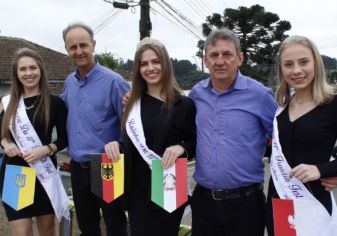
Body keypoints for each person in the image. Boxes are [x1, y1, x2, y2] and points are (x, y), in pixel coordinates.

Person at [188, 28, 276, 236]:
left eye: (227, 54)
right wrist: (135, 99)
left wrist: (325, 168)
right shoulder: (195, 94)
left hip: (246, 205)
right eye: (214, 55)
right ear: (205, 61)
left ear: (240, 58)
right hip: (203, 203)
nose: (220, 61)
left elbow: (284, 139)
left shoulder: (260, 95)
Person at [266, 35, 337, 235]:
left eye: (304, 62)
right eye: (288, 64)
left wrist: (323, 169)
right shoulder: (281, 109)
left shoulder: (336, 105)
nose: (296, 70)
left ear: (316, 63)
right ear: (281, 70)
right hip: (279, 204)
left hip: (315, 204)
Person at [120, 37, 196, 236]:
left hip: (168, 185)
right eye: (144, 64)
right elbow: (129, 145)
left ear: (165, 64)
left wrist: (182, 148)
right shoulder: (132, 104)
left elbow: (195, 142)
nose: (150, 68)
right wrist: (114, 144)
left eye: (156, 61)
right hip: (137, 189)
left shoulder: (183, 104)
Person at [61, 22, 130, 236]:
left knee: (114, 225)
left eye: (83, 45)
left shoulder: (114, 81)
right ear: (67, 50)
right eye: (73, 47)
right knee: (87, 226)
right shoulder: (68, 83)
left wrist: (119, 144)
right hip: (77, 167)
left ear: (93, 45)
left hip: (106, 166)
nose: (79, 51)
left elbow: (130, 127)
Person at [0, 48, 68, 235]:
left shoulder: (55, 103)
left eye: (33, 68)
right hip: (15, 173)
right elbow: (2, 135)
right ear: (16, 73)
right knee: (22, 233)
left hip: (43, 171)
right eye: (23, 69)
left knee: (47, 231)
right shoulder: (7, 102)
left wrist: (46, 149)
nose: (28, 73)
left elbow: (64, 138)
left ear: (41, 70)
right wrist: (6, 144)